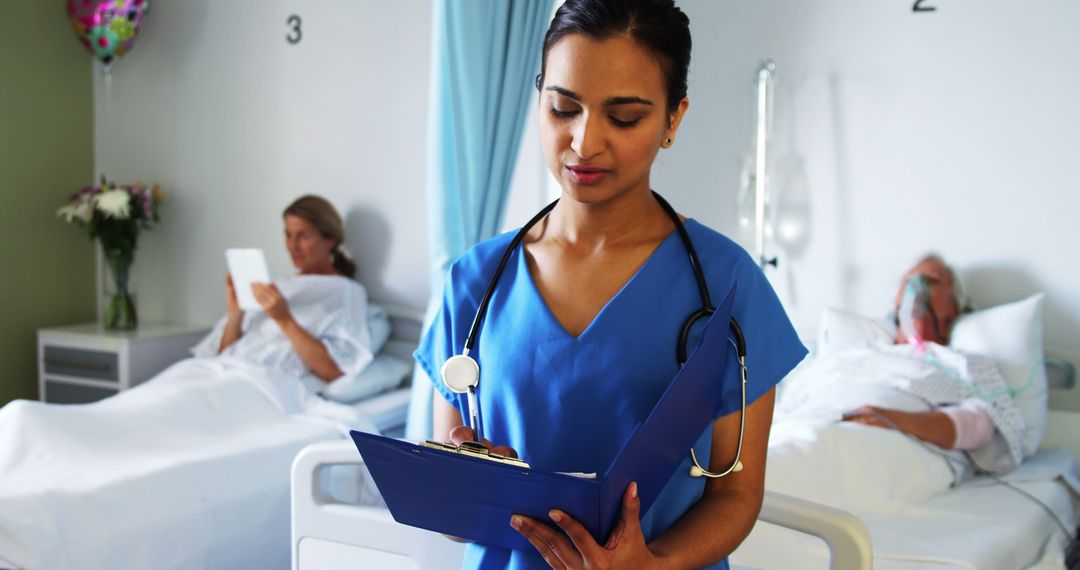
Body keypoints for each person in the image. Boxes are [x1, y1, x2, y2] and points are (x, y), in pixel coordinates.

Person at [415, 1, 806, 568]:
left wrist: (655, 564)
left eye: (623, 117)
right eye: (563, 108)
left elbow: (736, 496)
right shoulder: (475, 281)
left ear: (673, 119)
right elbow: (454, 516)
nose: (584, 142)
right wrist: (460, 481)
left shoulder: (728, 284)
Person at [837, 254, 1025, 474]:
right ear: (895, 300)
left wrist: (895, 420)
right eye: (909, 281)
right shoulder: (853, 355)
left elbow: (982, 424)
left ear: (954, 308)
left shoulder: (963, 364)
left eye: (932, 280)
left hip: (868, 448)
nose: (917, 287)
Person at [192, 195, 374, 395]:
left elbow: (334, 371)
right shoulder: (275, 287)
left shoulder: (346, 292)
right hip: (220, 373)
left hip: (260, 384)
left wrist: (284, 319)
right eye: (288, 235)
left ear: (330, 239)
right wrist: (236, 313)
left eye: (303, 236)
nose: (292, 246)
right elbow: (222, 355)